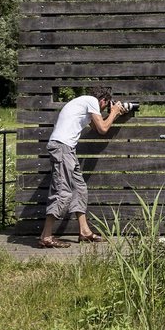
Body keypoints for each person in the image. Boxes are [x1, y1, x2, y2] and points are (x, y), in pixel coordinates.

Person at [38, 86, 128, 248]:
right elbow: (103, 129)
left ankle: (84, 231)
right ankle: (46, 236)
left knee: (79, 188)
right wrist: (113, 112)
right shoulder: (92, 101)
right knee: (62, 191)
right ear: (103, 101)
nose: (103, 110)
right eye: (105, 106)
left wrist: (114, 113)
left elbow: (96, 126)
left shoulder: (83, 104)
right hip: (62, 148)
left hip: (67, 149)